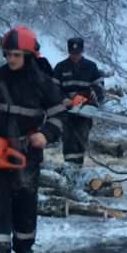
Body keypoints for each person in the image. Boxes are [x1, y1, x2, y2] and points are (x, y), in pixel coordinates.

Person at [0, 26, 66, 253]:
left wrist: (45, 135)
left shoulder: (42, 82)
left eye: (15, 54)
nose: (10, 59)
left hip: (27, 153)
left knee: (25, 202)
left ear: (27, 54)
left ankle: (23, 248)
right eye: (7, 54)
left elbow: (59, 115)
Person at [52, 37, 104, 171]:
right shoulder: (60, 67)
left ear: (81, 51)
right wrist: (63, 99)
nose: (75, 56)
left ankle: (77, 168)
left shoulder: (91, 67)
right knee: (68, 140)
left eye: (77, 53)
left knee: (81, 139)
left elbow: (99, 89)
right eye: (73, 53)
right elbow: (53, 89)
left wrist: (89, 99)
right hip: (67, 111)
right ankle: (69, 168)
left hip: (84, 111)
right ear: (69, 52)